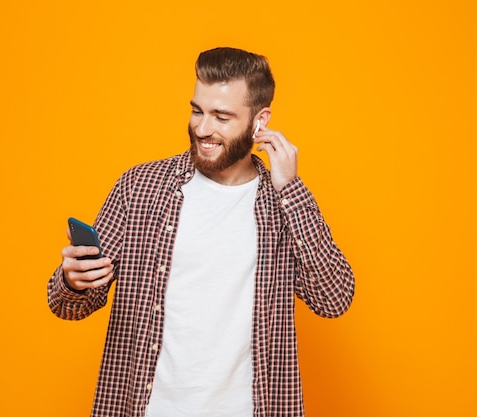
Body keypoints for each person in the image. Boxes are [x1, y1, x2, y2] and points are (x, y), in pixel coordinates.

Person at [48, 47, 355, 417]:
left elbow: (334, 298)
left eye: (221, 117)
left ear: (260, 121)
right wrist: (75, 280)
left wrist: (291, 189)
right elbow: (67, 305)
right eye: (198, 111)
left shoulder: (281, 204)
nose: (203, 129)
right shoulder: (140, 188)